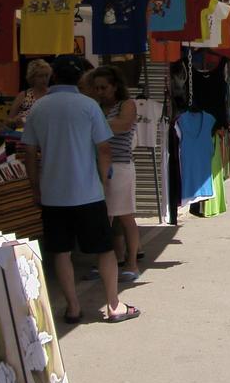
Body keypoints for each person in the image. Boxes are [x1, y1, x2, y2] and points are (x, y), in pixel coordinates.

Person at [22, 55, 140, 324]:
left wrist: (35, 188)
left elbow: (29, 152)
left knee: (61, 252)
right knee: (104, 249)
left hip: (53, 194)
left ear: (54, 77)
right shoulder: (88, 106)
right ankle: (113, 305)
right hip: (88, 192)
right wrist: (102, 179)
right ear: (79, 79)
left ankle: (73, 307)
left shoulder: (39, 108)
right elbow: (104, 148)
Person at [91, 65, 141, 281]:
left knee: (125, 216)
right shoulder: (96, 108)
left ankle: (132, 264)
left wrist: (95, 123)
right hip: (98, 165)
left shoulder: (127, 104)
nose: (100, 92)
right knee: (104, 218)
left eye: (104, 87)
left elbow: (123, 124)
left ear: (114, 87)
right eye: (97, 88)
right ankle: (108, 261)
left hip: (120, 166)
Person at [7, 58, 51, 127]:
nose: (44, 79)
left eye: (46, 75)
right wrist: (15, 121)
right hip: (24, 133)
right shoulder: (24, 95)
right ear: (32, 77)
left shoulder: (52, 94)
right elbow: (9, 120)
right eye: (40, 76)